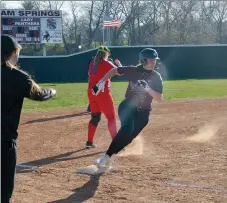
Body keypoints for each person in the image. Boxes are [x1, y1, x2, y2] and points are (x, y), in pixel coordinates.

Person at [1, 34, 57, 203]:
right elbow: (39, 94)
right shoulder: (17, 76)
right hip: (4, 142)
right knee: (4, 192)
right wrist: (52, 92)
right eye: (16, 51)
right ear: (12, 53)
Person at [91, 48, 163, 167]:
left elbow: (159, 98)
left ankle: (109, 156)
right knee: (127, 129)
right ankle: (106, 157)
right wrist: (102, 81)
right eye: (151, 59)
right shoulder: (133, 70)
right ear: (143, 60)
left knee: (129, 138)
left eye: (155, 60)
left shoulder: (156, 76)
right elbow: (114, 70)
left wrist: (148, 89)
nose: (153, 62)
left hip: (144, 113)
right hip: (128, 107)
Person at [86, 46, 118, 148]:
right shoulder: (105, 62)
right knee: (111, 118)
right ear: (105, 54)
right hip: (102, 93)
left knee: (95, 117)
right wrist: (119, 64)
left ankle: (89, 142)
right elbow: (118, 71)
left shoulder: (92, 63)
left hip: (92, 92)